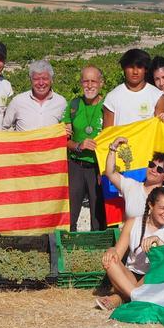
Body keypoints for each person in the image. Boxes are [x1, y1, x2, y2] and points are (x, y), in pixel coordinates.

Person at [97, 187, 164, 310]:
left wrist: (159, 243)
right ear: (151, 205)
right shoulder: (133, 223)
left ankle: (120, 297)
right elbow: (118, 253)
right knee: (109, 259)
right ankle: (136, 297)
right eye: (162, 208)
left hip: (156, 278)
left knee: (160, 267)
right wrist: (111, 250)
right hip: (131, 276)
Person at [66, 65, 106, 231]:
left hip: (98, 167)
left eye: (93, 81)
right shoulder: (74, 105)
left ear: (101, 83)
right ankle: (70, 248)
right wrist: (78, 146)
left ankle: (98, 248)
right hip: (76, 164)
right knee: (70, 212)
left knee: (99, 214)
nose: (89, 85)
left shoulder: (108, 106)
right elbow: (64, 139)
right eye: (85, 81)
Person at [105, 137, 164, 220]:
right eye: (152, 165)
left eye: (159, 169)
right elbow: (110, 173)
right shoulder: (131, 186)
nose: (153, 170)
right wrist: (113, 147)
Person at [102, 48, 164, 127]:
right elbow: (107, 133)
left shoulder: (157, 96)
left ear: (145, 69)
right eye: (131, 67)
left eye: (139, 67)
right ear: (124, 69)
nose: (135, 72)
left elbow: (161, 130)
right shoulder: (112, 97)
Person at [3, 60, 67, 131]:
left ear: (51, 80)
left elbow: (66, 127)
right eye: (36, 79)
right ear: (30, 80)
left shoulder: (61, 102)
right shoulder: (17, 101)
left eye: (45, 78)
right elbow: (4, 128)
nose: (41, 83)